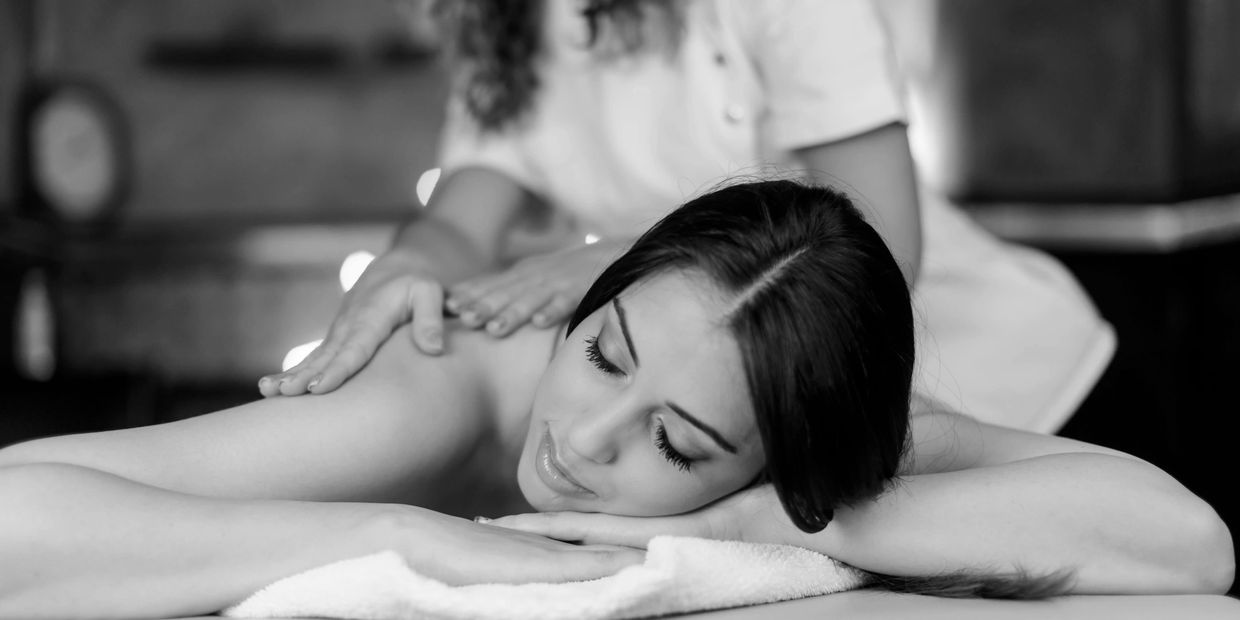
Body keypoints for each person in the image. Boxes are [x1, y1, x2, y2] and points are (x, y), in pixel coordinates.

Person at [0, 181, 1231, 619]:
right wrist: (394, 535)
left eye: (678, 439)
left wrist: (760, 527)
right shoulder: (442, 400)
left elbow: (1189, 545)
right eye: (601, 354)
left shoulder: (797, 444)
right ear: (589, 301)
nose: (583, 440)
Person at [260, 0, 1115, 434]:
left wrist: (635, 260)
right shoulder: (513, 28)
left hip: (1010, 379)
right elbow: (459, 219)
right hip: (760, 395)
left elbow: (882, 242)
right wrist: (412, 265)